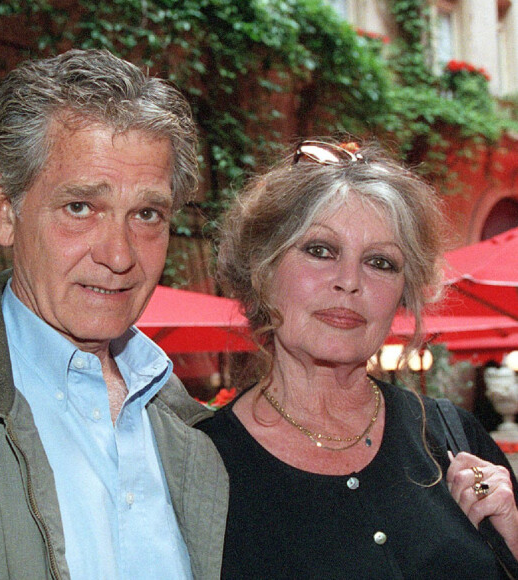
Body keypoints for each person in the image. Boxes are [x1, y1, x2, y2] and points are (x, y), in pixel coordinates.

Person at [0, 49, 228, 579]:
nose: (119, 255)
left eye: (146, 214)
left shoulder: (204, 436)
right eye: (80, 208)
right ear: (5, 211)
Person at [197, 139, 518, 579]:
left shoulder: (454, 437)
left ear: (402, 294)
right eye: (320, 250)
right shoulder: (202, 464)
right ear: (262, 270)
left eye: (380, 262)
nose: (349, 281)